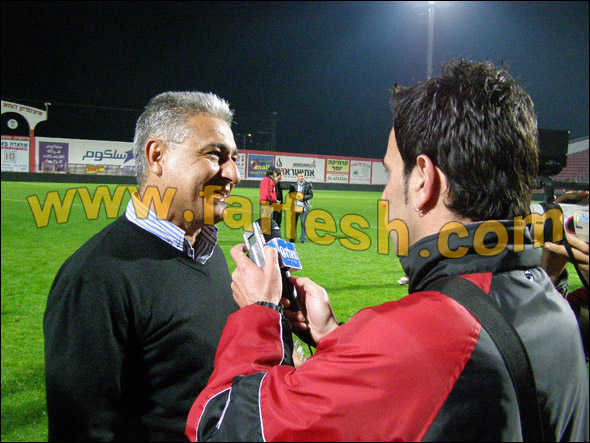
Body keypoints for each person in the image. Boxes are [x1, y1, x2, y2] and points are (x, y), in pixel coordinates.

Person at [185, 60, 589, 442]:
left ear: (423, 180)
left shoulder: (421, 336)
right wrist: (334, 336)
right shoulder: (550, 303)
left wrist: (259, 313)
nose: (385, 194)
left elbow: (222, 426)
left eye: (391, 172)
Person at [44, 91, 241, 441]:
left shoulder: (210, 253)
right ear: (157, 157)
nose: (234, 175)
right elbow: (82, 430)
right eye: (215, 155)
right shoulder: (95, 277)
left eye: (234, 159)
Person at [288, 172, 313, 243]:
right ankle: (292, 239)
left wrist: (303, 198)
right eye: (299, 176)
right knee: (293, 224)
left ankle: (303, 239)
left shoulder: (308, 185)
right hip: (295, 207)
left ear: (304, 177)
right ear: (297, 177)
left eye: (302, 176)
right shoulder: (293, 185)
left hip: (304, 207)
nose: (301, 178)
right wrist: (295, 197)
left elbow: (311, 195)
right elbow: (290, 194)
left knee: (303, 223)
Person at [259, 166, 280, 235]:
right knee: (267, 221)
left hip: (264, 201)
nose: (276, 174)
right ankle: (265, 236)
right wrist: (274, 200)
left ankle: (264, 235)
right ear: (272, 172)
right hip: (267, 202)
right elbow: (268, 193)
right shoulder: (268, 180)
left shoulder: (265, 179)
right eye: (275, 172)